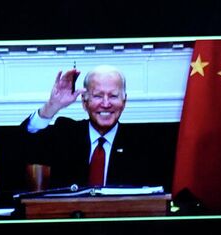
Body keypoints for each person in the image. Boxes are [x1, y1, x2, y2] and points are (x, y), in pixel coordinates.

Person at [16, 65, 172, 190]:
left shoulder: (143, 143)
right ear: (84, 102)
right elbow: (22, 146)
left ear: (124, 101)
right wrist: (52, 106)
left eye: (113, 96)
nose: (105, 103)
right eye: (97, 96)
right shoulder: (65, 134)